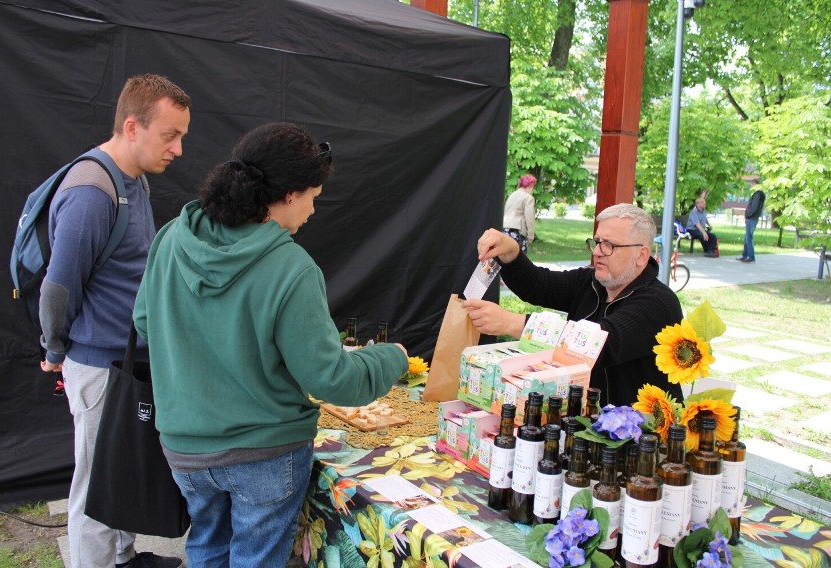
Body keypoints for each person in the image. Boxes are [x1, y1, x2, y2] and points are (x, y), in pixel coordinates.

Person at [132, 122, 409, 567]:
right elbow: (331, 377)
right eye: (313, 197)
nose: (313, 211)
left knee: (206, 546)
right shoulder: (290, 268)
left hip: (184, 447)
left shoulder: (171, 239)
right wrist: (391, 358)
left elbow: (144, 324)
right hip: (263, 452)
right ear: (287, 195)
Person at [38, 75, 190, 568]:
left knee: (118, 472)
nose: (179, 149)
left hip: (124, 363)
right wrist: (55, 350)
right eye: (170, 135)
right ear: (132, 126)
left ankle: (121, 559)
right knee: (94, 486)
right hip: (98, 367)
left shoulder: (134, 180)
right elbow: (59, 288)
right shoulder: (91, 191)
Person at [461, 203, 684, 407]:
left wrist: (515, 324)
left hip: (639, 435)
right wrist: (510, 252)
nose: (597, 252)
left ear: (641, 255)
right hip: (587, 424)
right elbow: (540, 285)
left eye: (609, 245)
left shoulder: (658, 303)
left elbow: (601, 344)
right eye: (597, 242)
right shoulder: (591, 283)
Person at [502, 173, 537, 254]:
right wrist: (530, 236)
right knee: (519, 261)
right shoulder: (528, 198)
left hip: (505, 229)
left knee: (506, 257)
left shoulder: (512, 195)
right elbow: (529, 218)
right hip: (517, 231)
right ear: (530, 185)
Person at [738, 189, 765, 263]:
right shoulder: (759, 194)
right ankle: (745, 255)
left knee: (749, 237)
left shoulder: (757, 194)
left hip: (751, 218)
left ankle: (751, 257)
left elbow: (753, 207)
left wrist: (748, 215)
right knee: (747, 237)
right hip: (752, 218)